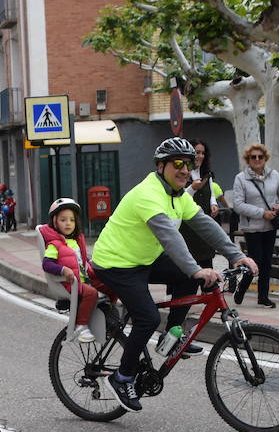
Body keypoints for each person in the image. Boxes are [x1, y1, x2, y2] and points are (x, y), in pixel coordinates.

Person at [92, 137, 258, 412]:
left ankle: (171, 335)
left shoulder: (178, 195)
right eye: (178, 163)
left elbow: (204, 224)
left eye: (189, 164)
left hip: (143, 259)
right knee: (148, 317)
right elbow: (170, 237)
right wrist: (196, 269)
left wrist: (236, 255)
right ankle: (122, 377)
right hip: (116, 263)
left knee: (186, 277)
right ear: (161, 166)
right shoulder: (149, 194)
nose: (184, 170)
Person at [230, 143, 279, 307]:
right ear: (248, 159)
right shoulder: (241, 178)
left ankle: (263, 297)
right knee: (255, 261)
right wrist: (261, 213)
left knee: (267, 262)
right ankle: (241, 288)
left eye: (260, 156)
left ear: (265, 158)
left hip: (270, 226)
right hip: (252, 228)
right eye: (253, 157)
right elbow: (238, 205)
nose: (257, 159)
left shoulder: (274, 175)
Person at [40, 197, 99, 342]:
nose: (68, 223)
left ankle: (108, 320)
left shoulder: (75, 242)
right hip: (70, 283)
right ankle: (81, 326)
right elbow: (47, 264)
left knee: (110, 283)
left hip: (83, 279)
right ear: (55, 221)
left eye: (72, 220)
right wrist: (63, 270)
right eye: (63, 220)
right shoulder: (54, 244)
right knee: (91, 293)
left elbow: (82, 262)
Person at [181, 139, 226, 269]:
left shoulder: (207, 173)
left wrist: (214, 204)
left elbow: (211, 192)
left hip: (204, 222)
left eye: (202, 153)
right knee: (189, 263)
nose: (200, 156)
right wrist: (192, 188)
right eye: (197, 152)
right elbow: (180, 199)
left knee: (207, 261)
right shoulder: (182, 173)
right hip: (187, 225)